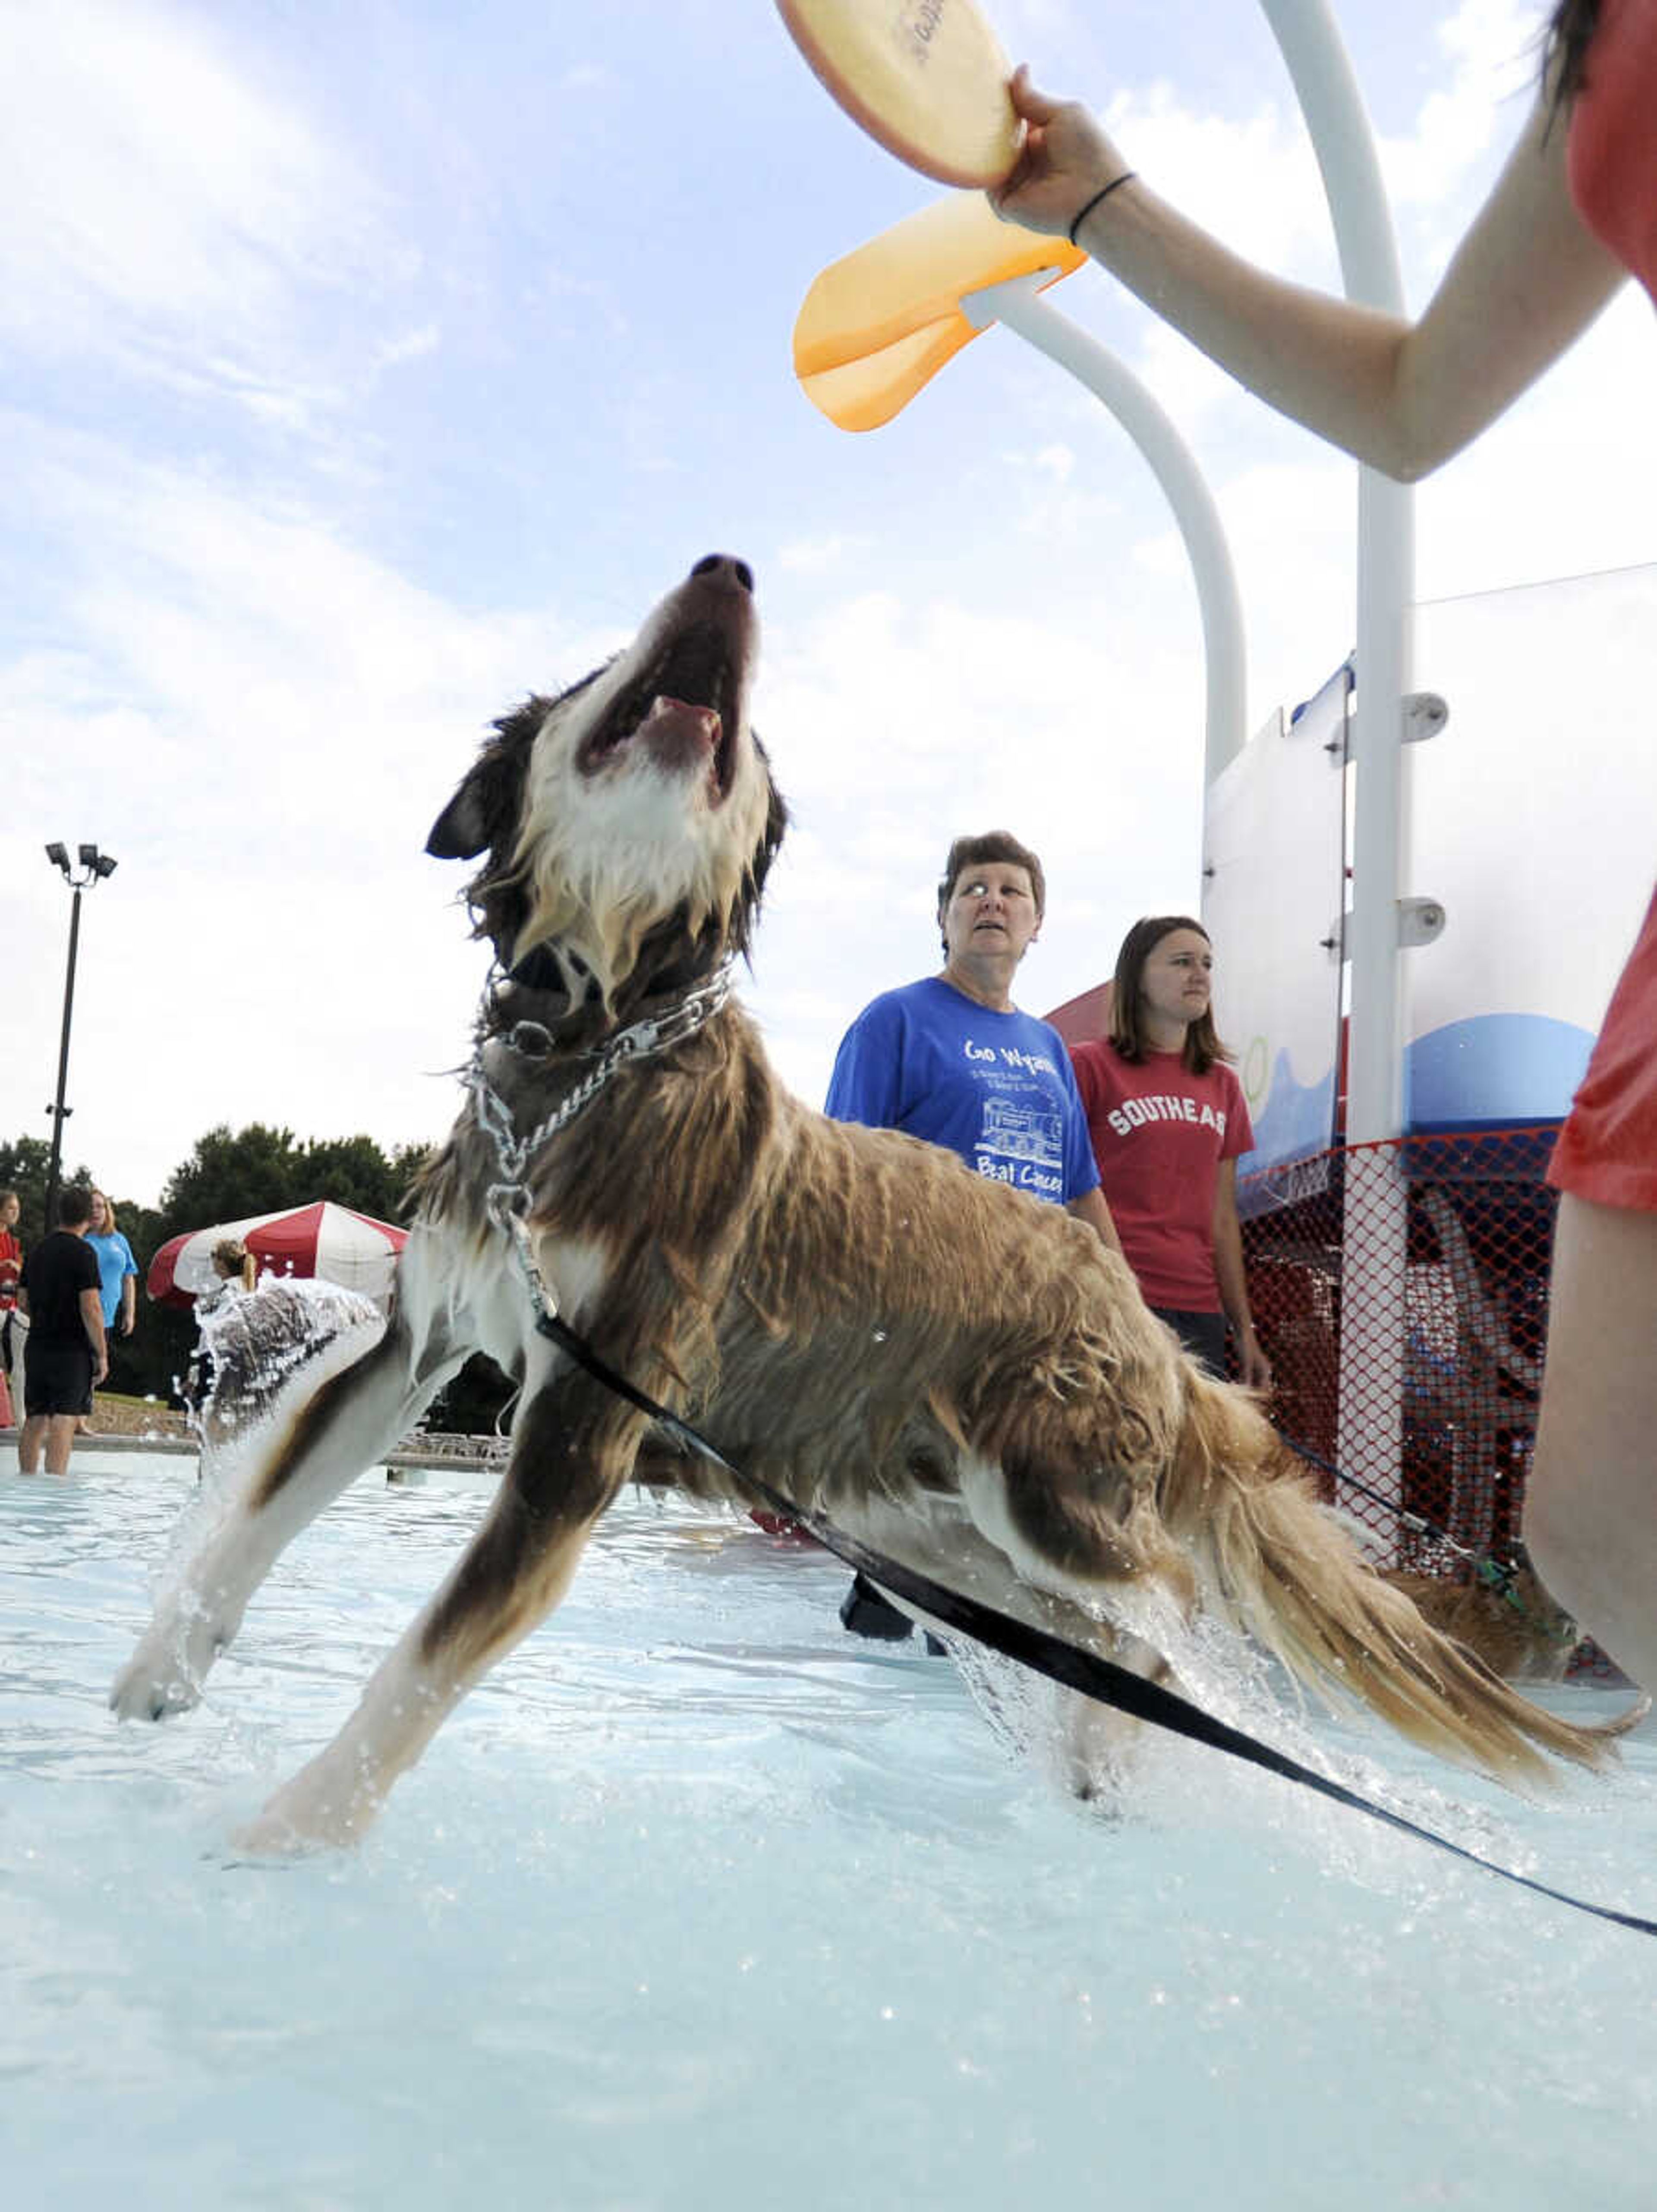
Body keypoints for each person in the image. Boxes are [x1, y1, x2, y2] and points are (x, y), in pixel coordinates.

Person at [990, 0, 1656, 1688]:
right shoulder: (1617, 56)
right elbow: (1420, 391)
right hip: (1125, 1305)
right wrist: (1100, 204)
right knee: (1595, 1527)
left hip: (1193, 1305)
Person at [824, 829, 1121, 1638]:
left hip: (1030, 1320)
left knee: (1010, 1509)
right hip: (923, 1310)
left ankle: (935, 1653)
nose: (992, 901)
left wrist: (1126, 1309)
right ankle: (886, 1662)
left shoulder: (1049, 1047)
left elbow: (1079, 1187)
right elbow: (842, 1173)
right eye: (973, 890)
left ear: (1037, 924)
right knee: (932, 1508)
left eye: (1012, 891)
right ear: (945, 917)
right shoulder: (896, 1019)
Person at [1071, 917, 1271, 1387]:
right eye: (1182, 962)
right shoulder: (1088, 1066)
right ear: (1138, 977)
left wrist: (1243, 1330)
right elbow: (1068, 1194)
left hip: (1199, 1307)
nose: (1199, 974)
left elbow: (1222, 1216)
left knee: (1191, 1458)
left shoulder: (1223, 1084)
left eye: (1207, 964)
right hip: (1111, 1301)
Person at [18, 1185, 107, 1477]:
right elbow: (91, 1308)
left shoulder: (37, 1250)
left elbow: (23, 1303)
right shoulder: (84, 1253)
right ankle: (54, 1487)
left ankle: (27, 1481)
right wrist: (102, 1354)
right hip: (72, 1349)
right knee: (65, 1417)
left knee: (35, 1418)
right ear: (87, 1217)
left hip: (38, 1345)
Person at [86, 1189, 139, 1343]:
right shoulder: (81, 1239)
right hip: (83, 1318)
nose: (95, 1211)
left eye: (100, 1206)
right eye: (91, 1207)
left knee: (102, 1364)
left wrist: (129, 1314)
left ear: (107, 1210)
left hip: (109, 1320)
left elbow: (128, 1279)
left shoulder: (120, 1240)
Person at [0, 1188, 21, 1428]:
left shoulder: (13, 1242)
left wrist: (16, 1266)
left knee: (14, 1362)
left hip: (11, 1308)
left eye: (17, 1209)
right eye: (11, 1208)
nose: (16, 1213)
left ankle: (13, 1416)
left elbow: (20, 1273)